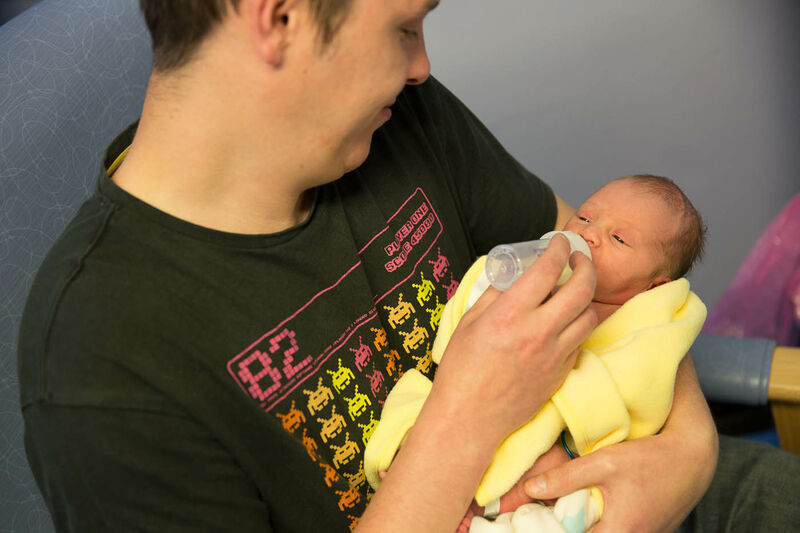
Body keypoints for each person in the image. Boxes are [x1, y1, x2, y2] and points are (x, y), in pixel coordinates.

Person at [16, 1, 799, 532]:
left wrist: (685, 455)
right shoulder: (101, 362)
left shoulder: (400, 123)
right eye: (403, 26)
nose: (422, 65)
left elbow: (620, 273)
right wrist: (467, 410)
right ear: (279, 16)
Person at [365, 175, 708, 532]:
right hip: (466, 415)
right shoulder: (540, 277)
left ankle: (488, 503)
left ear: (654, 285)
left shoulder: (643, 322)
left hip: (570, 441)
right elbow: (464, 335)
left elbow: (640, 386)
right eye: (586, 218)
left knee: (553, 468)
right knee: (412, 399)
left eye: (618, 238)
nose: (589, 235)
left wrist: (694, 451)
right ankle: (415, 465)